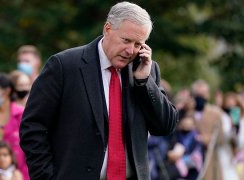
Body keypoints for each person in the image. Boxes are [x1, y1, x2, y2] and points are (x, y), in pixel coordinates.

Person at [19, 2, 178, 180]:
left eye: (138, 44)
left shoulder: (146, 69)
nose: (130, 50)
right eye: (126, 40)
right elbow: (32, 127)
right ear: (108, 29)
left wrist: (144, 82)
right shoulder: (64, 66)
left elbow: (165, 127)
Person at [190, 80, 238, 180]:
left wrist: (209, 139)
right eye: (197, 94)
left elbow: (222, 138)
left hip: (210, 161)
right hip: (191, 163)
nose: (200, 97)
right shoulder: (188, 113)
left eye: (202, 94)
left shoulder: (216, 114)